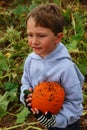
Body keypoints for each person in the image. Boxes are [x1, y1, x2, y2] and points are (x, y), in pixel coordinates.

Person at [20, 3, 84, 130]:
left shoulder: (65, 67)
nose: (34, 41)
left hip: (67, 122)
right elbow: (25, 83)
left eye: (41, 35)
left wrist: (57, 120)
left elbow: (74, 102)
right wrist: (26, 95)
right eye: (30, 35)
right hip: (45, 116)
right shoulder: (30, 61)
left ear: (58, 37)